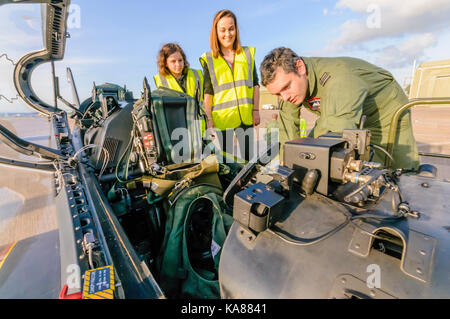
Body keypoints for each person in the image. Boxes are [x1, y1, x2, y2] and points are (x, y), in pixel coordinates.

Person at [260, 47, 419, 169]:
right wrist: (287, 163)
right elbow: (287, 129)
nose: (285, 97)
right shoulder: (289, 89)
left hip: (386, 112)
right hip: (346, 112)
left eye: (287, 87)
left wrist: (305, 160)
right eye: (278, 94)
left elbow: (333, 130)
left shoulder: (340, 78)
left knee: (399, 170)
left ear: (300, 67)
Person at [200, 9, 260, 162]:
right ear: (216, 32)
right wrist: (209, 119)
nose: (228, 34)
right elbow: (208, 92)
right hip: (223, 119)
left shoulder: (247, 54)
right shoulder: (209, 59)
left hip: (245, 117)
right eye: (223, 30)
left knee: (248, 161)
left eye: (231, 28)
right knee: (228, 162)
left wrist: (255, 110)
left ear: (236, 29)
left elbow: (255, 85)